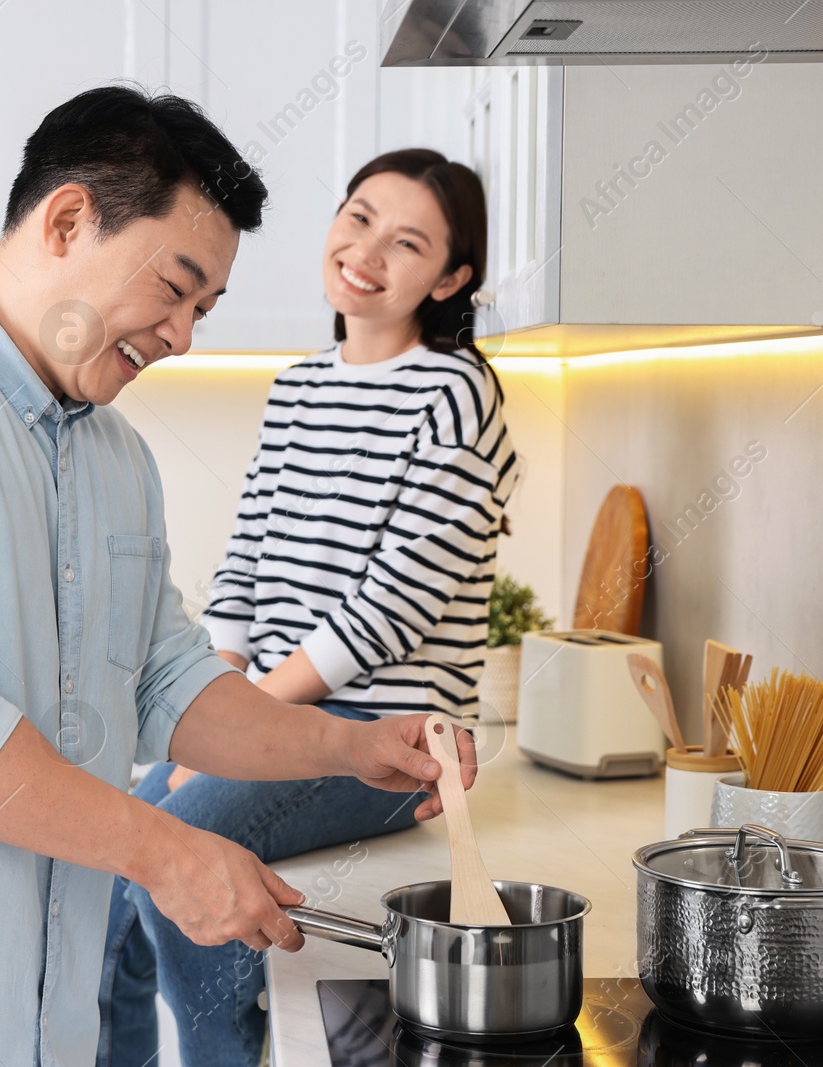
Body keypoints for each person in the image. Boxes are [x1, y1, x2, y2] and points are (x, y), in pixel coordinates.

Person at [0, 90, 478, 1067]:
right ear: (66, 221)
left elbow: (166, 681)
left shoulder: (116, 459)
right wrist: (169, 851)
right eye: (175, 289)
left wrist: (353, 747)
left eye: (204, 308)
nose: (183, 335)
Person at [98, 149, 517, 1066]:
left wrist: (241, 725)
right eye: (357, 216)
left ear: (450, 277)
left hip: (388, 737)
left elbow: (390, 610)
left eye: (407, 242)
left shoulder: (455, 392)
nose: (366, 250)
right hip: (275, 713)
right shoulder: (299, 387)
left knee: (182, 842)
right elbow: (244, 569)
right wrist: (205, 715)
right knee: (109, 871)